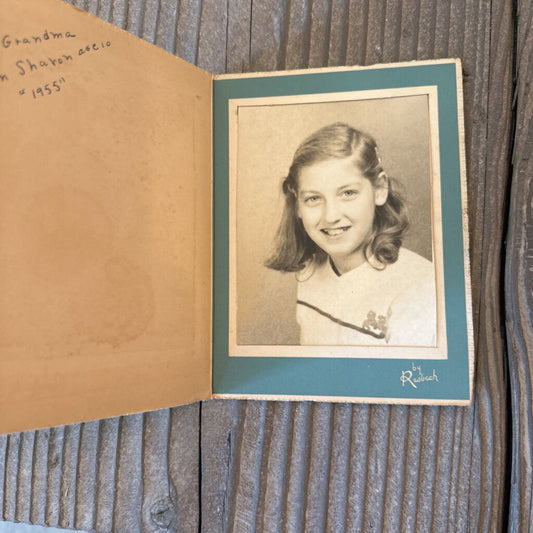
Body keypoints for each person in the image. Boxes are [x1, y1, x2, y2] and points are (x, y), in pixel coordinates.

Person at [266, 122, 436, 347]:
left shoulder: (420, 290)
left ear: (379, 189)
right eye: (313, 198)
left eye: (348, 193)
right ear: (297, 204)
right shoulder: (309, 271)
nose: (330, 216)